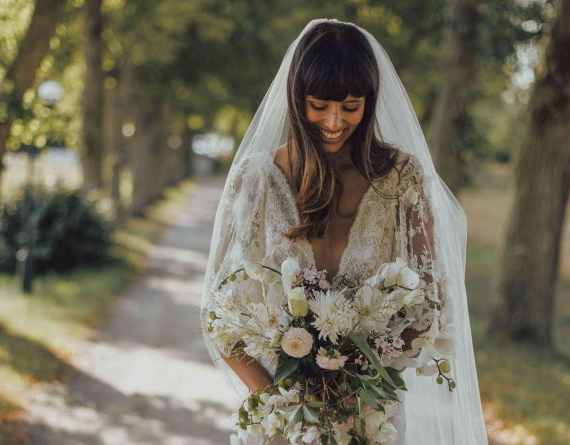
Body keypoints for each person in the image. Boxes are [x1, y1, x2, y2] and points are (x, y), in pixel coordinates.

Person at [200, 18, 489, 444]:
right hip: (282, 423)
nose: (335, 121)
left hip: (371, 417)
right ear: (296, 99)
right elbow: (217, 315)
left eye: (351, 107)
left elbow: (433, 305)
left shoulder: (403, 179)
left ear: (370, 103)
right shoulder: (255, 180)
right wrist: (280, 402)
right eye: (320, 105)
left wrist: (364, 390)